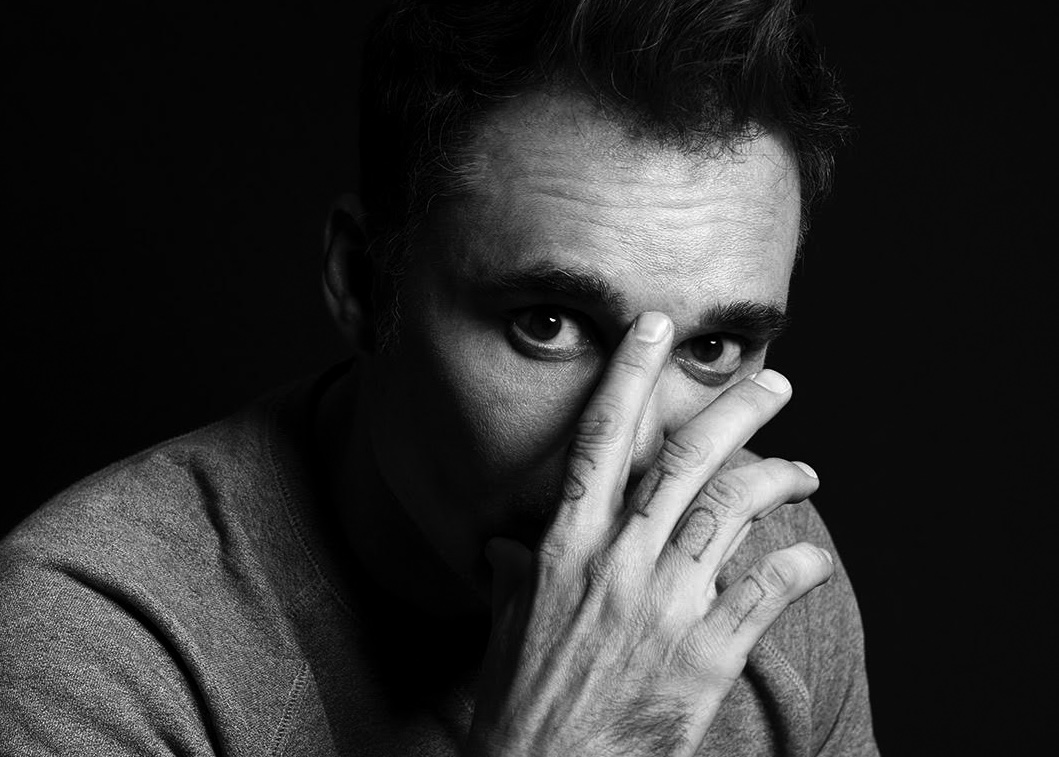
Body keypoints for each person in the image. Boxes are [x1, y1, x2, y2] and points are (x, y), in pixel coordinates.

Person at [0, 0, 878, 754]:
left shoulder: (763, 572)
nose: (638, 447)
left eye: (713, 346)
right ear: (363, 282)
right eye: (548, 324)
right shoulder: (89, 642)